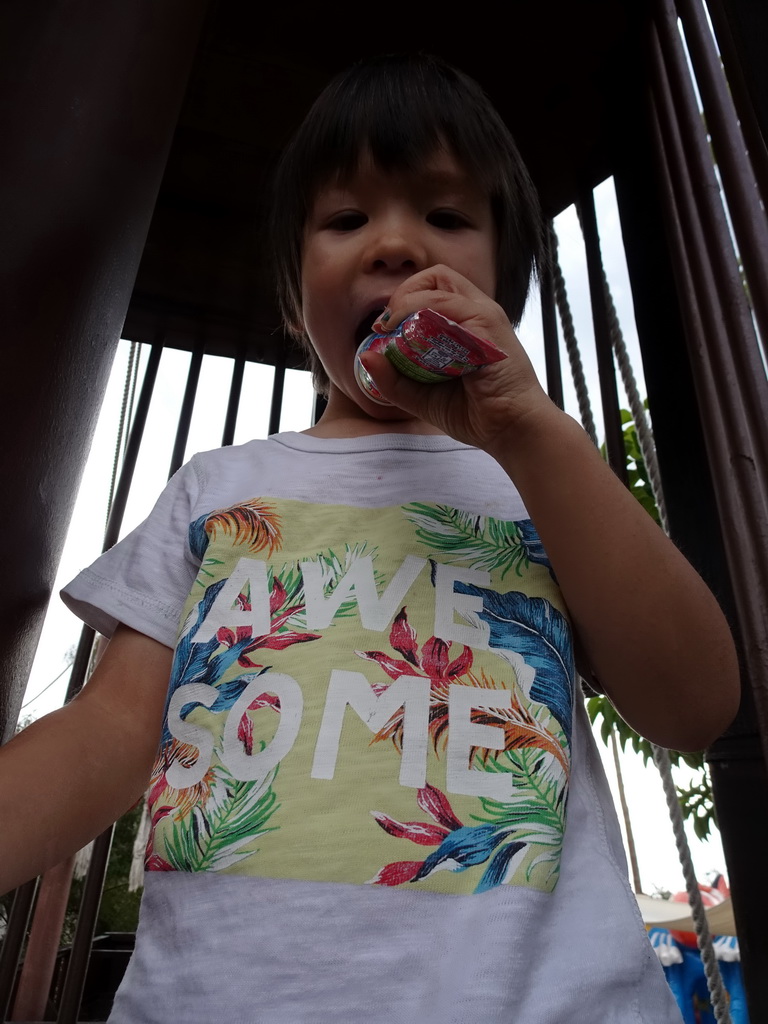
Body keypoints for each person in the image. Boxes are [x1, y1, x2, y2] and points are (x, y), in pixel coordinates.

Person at [1, 54, 738, 1023]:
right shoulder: (220, 488)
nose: (393, 245)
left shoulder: (541, 483)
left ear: (503, 284)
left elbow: (696, 701)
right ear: (293, 299)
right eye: (346, 220)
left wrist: (530, 432)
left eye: (444, 218)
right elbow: (110, 728)